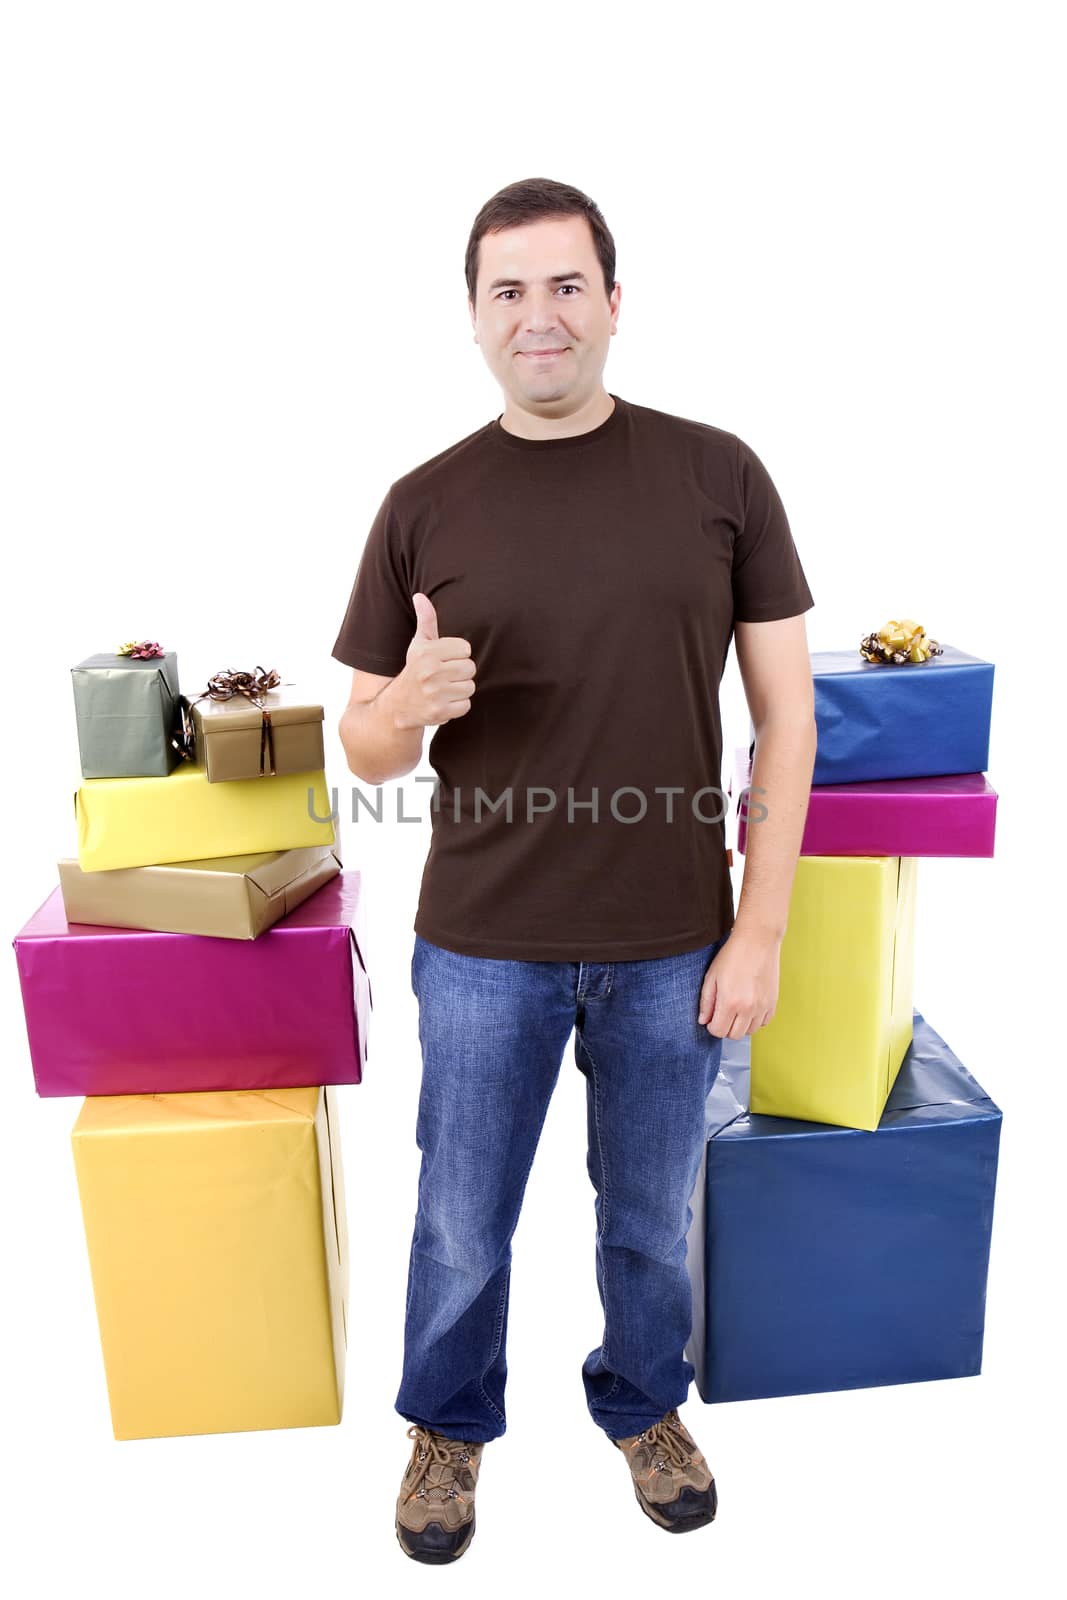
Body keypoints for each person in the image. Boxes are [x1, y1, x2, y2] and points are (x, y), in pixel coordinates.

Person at [333, 177, 817, 1564]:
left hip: (675, 939)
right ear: (474, 318)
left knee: (653, 1222)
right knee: (462, 1222)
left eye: (565, 287)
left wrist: (761, 928)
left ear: (613, 303)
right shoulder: (424, 503)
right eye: (508, 291)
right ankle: (447, 1428)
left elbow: (788, 713)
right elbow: (362, 747)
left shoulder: (718, 474)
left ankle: (642, 1403)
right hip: (486, 941)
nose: (538, 317)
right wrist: (404, 707)